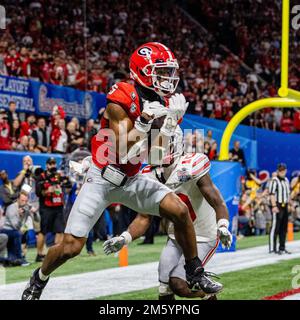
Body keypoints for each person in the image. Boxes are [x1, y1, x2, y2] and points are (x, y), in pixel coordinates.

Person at [22, 42, 222, 300]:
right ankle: (39, 279)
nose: (167, 79)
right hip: (101, 177)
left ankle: (195, 270)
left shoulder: (163, 103)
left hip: (131, 178)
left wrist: (168, 125)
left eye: (169, 72)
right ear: (142, 71)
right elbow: (122, 147)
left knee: (179, 211)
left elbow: (155, 156)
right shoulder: (122, 96)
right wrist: (144, 122)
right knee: (70, 247)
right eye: (160, 72)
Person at [104, 128, 231, 300]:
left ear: (175, 143)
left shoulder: (192, 164)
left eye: (162, 143)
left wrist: (222, 225)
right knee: (164, 286)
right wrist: (124, 238)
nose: (157, 149)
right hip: (176, 236)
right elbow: (144, 217)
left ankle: (208, 295)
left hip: (203, 234)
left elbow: (217, 201)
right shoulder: (148, 174)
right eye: (154, 144)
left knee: (178, 284)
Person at [34, 157, 67, 262]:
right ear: (47, 165)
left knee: (60, 230)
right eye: (50, 163)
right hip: (46, 207)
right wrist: (48, 190)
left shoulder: (57, 175)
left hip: (58, 206)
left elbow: (64, 185)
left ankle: (57, 254)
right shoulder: (41, 176)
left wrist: (60, 186)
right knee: (43, 231)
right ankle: (39, 254)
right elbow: (38, 193)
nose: (53, 165)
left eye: (54, 163)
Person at [0, 192, 31, 266]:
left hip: (15, 229)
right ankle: (19, 258)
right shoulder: (11, 208)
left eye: (26, 201)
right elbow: (15, 226)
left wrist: (34, 212)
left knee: (26, 234)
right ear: (18, 199)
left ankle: (14, 258)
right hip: (6, 229)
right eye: (22, 200)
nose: (24, 203)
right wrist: (20, 216)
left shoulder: (25, 208)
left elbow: (28, 221)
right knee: (17, 234)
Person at [268, 163, 291, 254]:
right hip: (277, 205)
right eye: (280, 170)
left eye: (283, 170)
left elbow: (287, 194)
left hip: (284, 205)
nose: (282, 172)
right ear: (278, 170)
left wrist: (289, 204)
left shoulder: (286, 180)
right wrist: (274, 206)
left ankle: (282, 247)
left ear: (285, 170)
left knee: (283, 228)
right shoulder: (274, 180)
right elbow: (272, 194)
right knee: (275, 227)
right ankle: (272, 248)